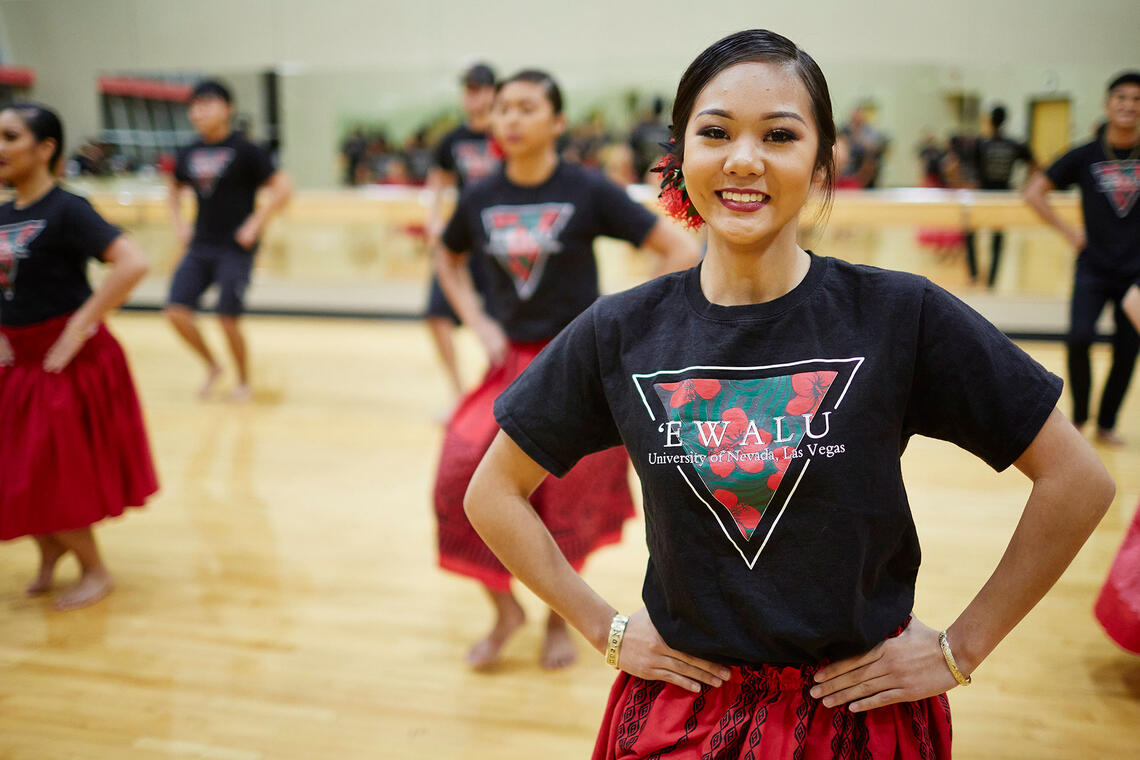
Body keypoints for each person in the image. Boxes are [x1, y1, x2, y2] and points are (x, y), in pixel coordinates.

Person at [464, 30, 1114, 758]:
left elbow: (1076, 479)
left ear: (823, 162)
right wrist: (603, 627)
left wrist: (961, 648)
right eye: (715, 133)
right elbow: (492, 492)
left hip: (861, 717)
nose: (744, 159)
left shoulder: (901, 314)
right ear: (680, 155)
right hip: (682, 717)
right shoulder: (621, 330)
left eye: (779, 134)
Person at [433, 69, 699, 671]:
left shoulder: (586, 188)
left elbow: (679, 249)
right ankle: (506, 612)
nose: (512, 119)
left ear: (556, 122)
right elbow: (445, 257)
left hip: (578, 367)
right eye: (503, 108)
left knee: (565, 494)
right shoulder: (478, 197)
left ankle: (559, 619)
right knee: (460, 475)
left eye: (528, 107)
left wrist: (631, 326)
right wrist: (478, 321)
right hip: (511, 366)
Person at [0, 103, 157, 610]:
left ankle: (94, 569)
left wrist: (80, 325)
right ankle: (51, 556)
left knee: (48, 469)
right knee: (13, 470)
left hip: (60, 364)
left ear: (45, 149)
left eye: (10, 137)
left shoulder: (69, 209)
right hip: (16, 360)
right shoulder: (3, 214)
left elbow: (132, 263)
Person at [1024, 71, 1140, 446]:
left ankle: (1106, 423)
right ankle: (1079, 418)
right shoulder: (1086, 154)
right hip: (1093, 265)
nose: (1129, 106)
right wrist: (1069, 232)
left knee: (1127, 348)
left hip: (1135, 271)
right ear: (1108, 105)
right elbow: (1034, 191)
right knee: (1078, 338)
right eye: (1121, 98)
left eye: (1137, 100)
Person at [164, 79, 293, 402]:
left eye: (207, 104)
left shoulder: (246, 149)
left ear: (228, 109)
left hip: (235, 247)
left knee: (227, 317)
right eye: (194, 105)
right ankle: (211, 365)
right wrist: (180, 225)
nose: (199, 111)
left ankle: (244, 380)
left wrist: (255, 222)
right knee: (176, 311)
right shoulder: (189, 151)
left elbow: (283, 188)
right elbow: (172, 189)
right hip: (200, 245)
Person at [424, 63, 501, 403]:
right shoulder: (452, 141)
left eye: (481, 89)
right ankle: (458, 395)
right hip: (462, 241)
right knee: (437, 315)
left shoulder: (505, 135)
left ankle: (497, 394)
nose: (474, 97)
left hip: (500, 241)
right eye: (469, 90)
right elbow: (439, 181)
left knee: (502, 321)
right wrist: (433, 218)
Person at [967, 106, 1036, 288]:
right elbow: (1034, 165)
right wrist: (1025, 186)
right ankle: (991, 280)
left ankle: (974, 275)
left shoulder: (982, 144)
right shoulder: (1014, 144)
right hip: (1003, 196)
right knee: (997, 239)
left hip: (982, 196)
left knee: (970, 233)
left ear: (990, 120)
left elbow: (971, 172)